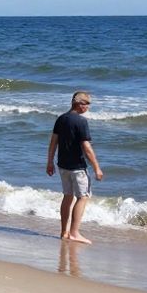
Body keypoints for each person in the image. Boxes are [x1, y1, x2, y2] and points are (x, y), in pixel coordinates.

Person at [47, 91, 105, 245]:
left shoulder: (61, 119)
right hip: (77, 167)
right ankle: (74, 232)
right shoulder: (81, 122)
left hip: (62, 165)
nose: (88, 107)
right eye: (87, 104)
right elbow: (86, 147)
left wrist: (50, 162)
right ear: (79, 104)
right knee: (83, 197)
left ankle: (64, 231)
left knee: (67, 196)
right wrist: (97, 168)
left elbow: (53, 142)